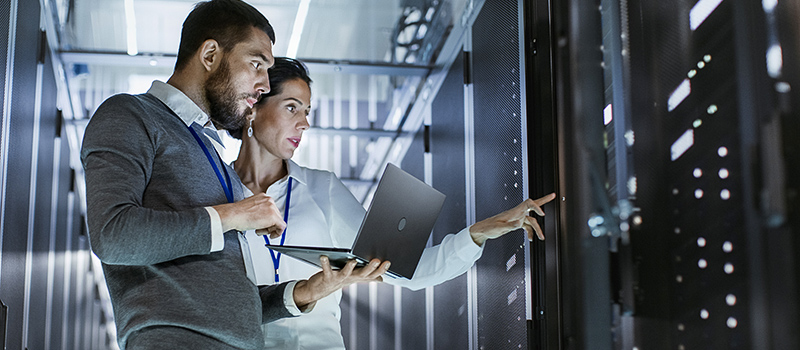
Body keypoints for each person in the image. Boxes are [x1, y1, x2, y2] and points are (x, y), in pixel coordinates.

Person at [80, 2, 388, 349]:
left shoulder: (209, 151)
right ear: (210, 55)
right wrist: (235, 214)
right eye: (256, 64)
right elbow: (112, 235)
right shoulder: (130, 114)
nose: (263, 84)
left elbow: (227, 301)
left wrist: (306, 291)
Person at [231, 57, 557, 349]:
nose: (304, 123)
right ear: (254, 105)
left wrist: (477, 234)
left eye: (307, 111)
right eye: (292, 108)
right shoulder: (217, 195)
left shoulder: (321, 187)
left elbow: (406, 272)